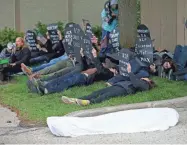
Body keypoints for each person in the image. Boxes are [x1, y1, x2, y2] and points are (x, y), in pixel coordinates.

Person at [61, 63, 156, 106]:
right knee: (97, 92)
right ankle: (78, 99)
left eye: (146, 78)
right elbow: (124, 77)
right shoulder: (137, 79)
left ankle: (89, 102)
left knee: (106, 95)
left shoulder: (145, 85)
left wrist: (130, 72)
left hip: (124, 89)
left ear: (149, 82)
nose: (144, 78)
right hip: (118, 85)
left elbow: (136, 83)